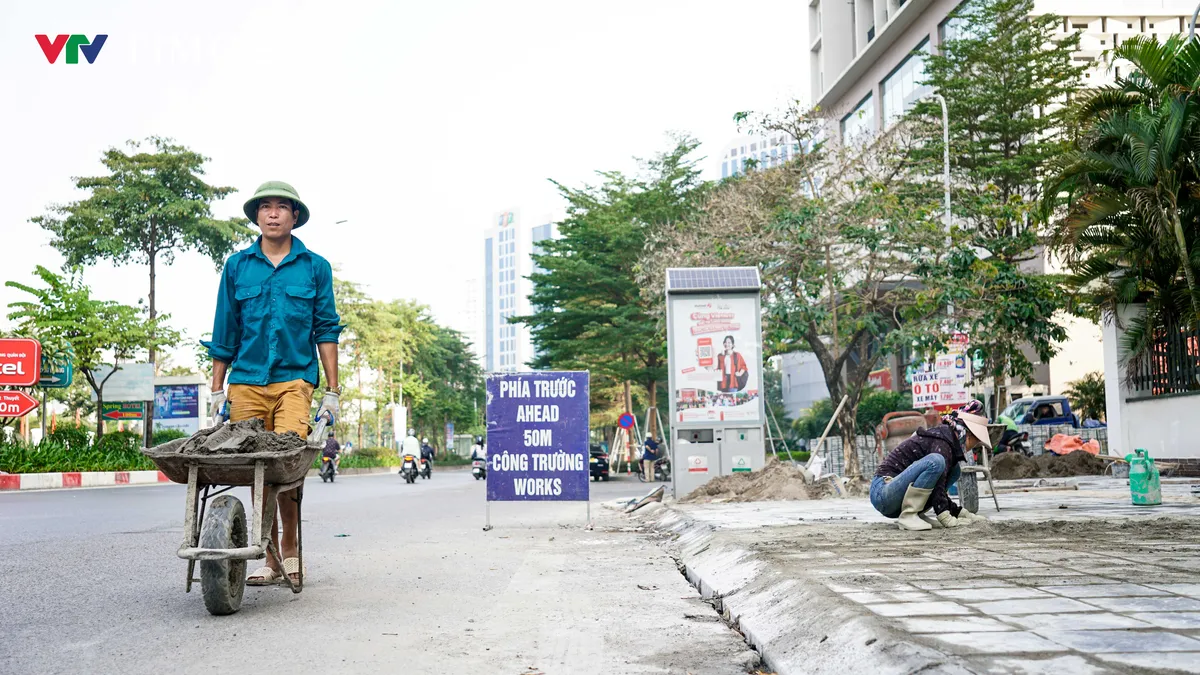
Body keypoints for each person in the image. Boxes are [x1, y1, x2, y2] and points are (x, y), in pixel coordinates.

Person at [204, 181, 342, 586]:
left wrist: (331, 391)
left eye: (283, 207)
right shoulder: (237, 266)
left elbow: (326, 329)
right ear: (257, 216)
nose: (274, 213)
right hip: (245, 382)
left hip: (294, 381)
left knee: (284, 468)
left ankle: (292, 546)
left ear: (294, 216)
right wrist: (217, 390)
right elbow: (224, 330)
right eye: (266, 207)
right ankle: (269, 556)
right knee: (254, 470)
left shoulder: (315, 267)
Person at [870, 402, 991, 531]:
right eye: (976, 441)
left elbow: (938, 488)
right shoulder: (942, 441)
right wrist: (944, 516)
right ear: (968, 434)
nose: (974, 445)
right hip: (882, 493)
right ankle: (909, 515)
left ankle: (917, 514)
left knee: (955, 470)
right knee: (936, 461)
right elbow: (938, 484)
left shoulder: (948, 442)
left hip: (896, 500)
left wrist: (960, 513)